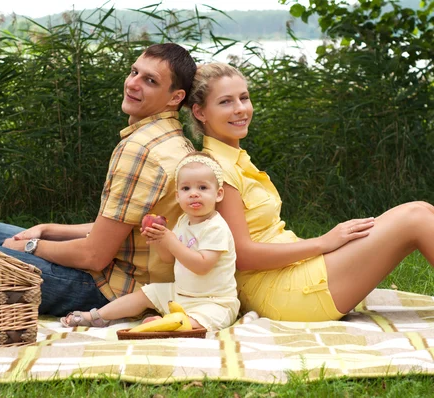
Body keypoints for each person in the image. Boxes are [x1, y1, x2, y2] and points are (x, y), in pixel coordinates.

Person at [0, 43, 196, 317]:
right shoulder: (175, 141)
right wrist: (47, 230)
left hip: (111, 290)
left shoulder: (140, 149)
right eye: (134, 72)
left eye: (150, 80)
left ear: (175, 97)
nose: (132, 84)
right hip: (134, 276)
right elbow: (120, 228)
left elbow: (93, 256)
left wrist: (30, 246)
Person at [185, 62, 434, 322]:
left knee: (423, 209)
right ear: (200, 112)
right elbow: (243, 256)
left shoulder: (236, 159)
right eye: (225, 102)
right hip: (281, 292)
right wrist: (322, 243)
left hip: (291, 270)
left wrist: (320, 248)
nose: (240, 109)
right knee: (415, 216)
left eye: (244, 98)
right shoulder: (213, 170)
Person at [60, 151, 239, 331]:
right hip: (181, 293)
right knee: (147, 293)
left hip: (214, 301)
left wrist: (170, 240)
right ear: (178, 196)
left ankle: (164, 324)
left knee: (198, 323)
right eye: (186, 189)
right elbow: (169, 258)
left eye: (202, 188)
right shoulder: (184, 221)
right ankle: (96, 316)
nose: (193, 194)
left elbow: (202, 266)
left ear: (219, 194)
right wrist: (159, 241)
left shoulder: (216, 227)